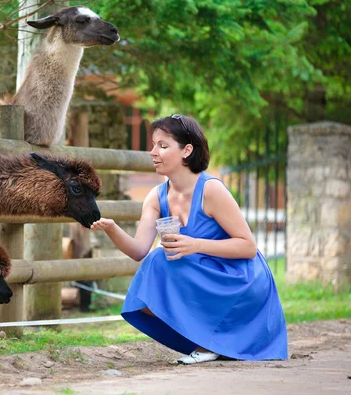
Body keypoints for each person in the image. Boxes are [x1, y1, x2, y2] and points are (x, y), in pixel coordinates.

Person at [91, 114, 288, 364]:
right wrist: (112, 229)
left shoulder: (211, 190)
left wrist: (195, 245)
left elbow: (248, 247)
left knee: (163, 260)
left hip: (238, 278)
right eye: (153, 144)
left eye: (163, 146)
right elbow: (139, 250)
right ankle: (206, 340)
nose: (153, 152)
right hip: (202, 273)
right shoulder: (156, 196)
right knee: (154, 264)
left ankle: (210, 342)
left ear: (187, 150)